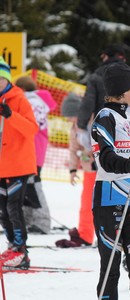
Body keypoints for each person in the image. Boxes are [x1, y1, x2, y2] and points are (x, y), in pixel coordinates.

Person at [91, 61, 130, 299]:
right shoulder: (105, 118)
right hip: (110, 199)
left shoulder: (126, 118)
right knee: (111, 267)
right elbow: (105, 158)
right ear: (123, 90)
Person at [0, 56, 38, 268]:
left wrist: (10, 115)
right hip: (1, 166)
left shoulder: (19, 99)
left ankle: (21, 251)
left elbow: (31, 129)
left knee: (14, 208)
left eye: (0, 79)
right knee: (3, 210)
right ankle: (12, 246)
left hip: (18, 164)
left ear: (7, 80)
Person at [15, 76, 57, 234]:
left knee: (33, 184)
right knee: (27, 183)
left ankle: (42, 221)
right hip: (38, 147)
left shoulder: (28, 101)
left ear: (22, 90)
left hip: (31, 147)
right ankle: (28, 218)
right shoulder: (39, 100)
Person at [55, 92, 96, 248]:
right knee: (86, 204)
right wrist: (73, 170)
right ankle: (85, 235)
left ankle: (113, 237)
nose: (69, 120)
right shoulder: (75, 128)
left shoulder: (92, 121)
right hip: (89, 171)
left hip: (103, 170)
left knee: (105, 205)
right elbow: (73, 149)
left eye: (70, 116)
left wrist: (88, 153)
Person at [77, 44, 126, 141]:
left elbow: (88, 102)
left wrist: (81, 124)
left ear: (107, 56)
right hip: (126, 126)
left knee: (103, 154)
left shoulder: (97, 76)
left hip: (104, 125)